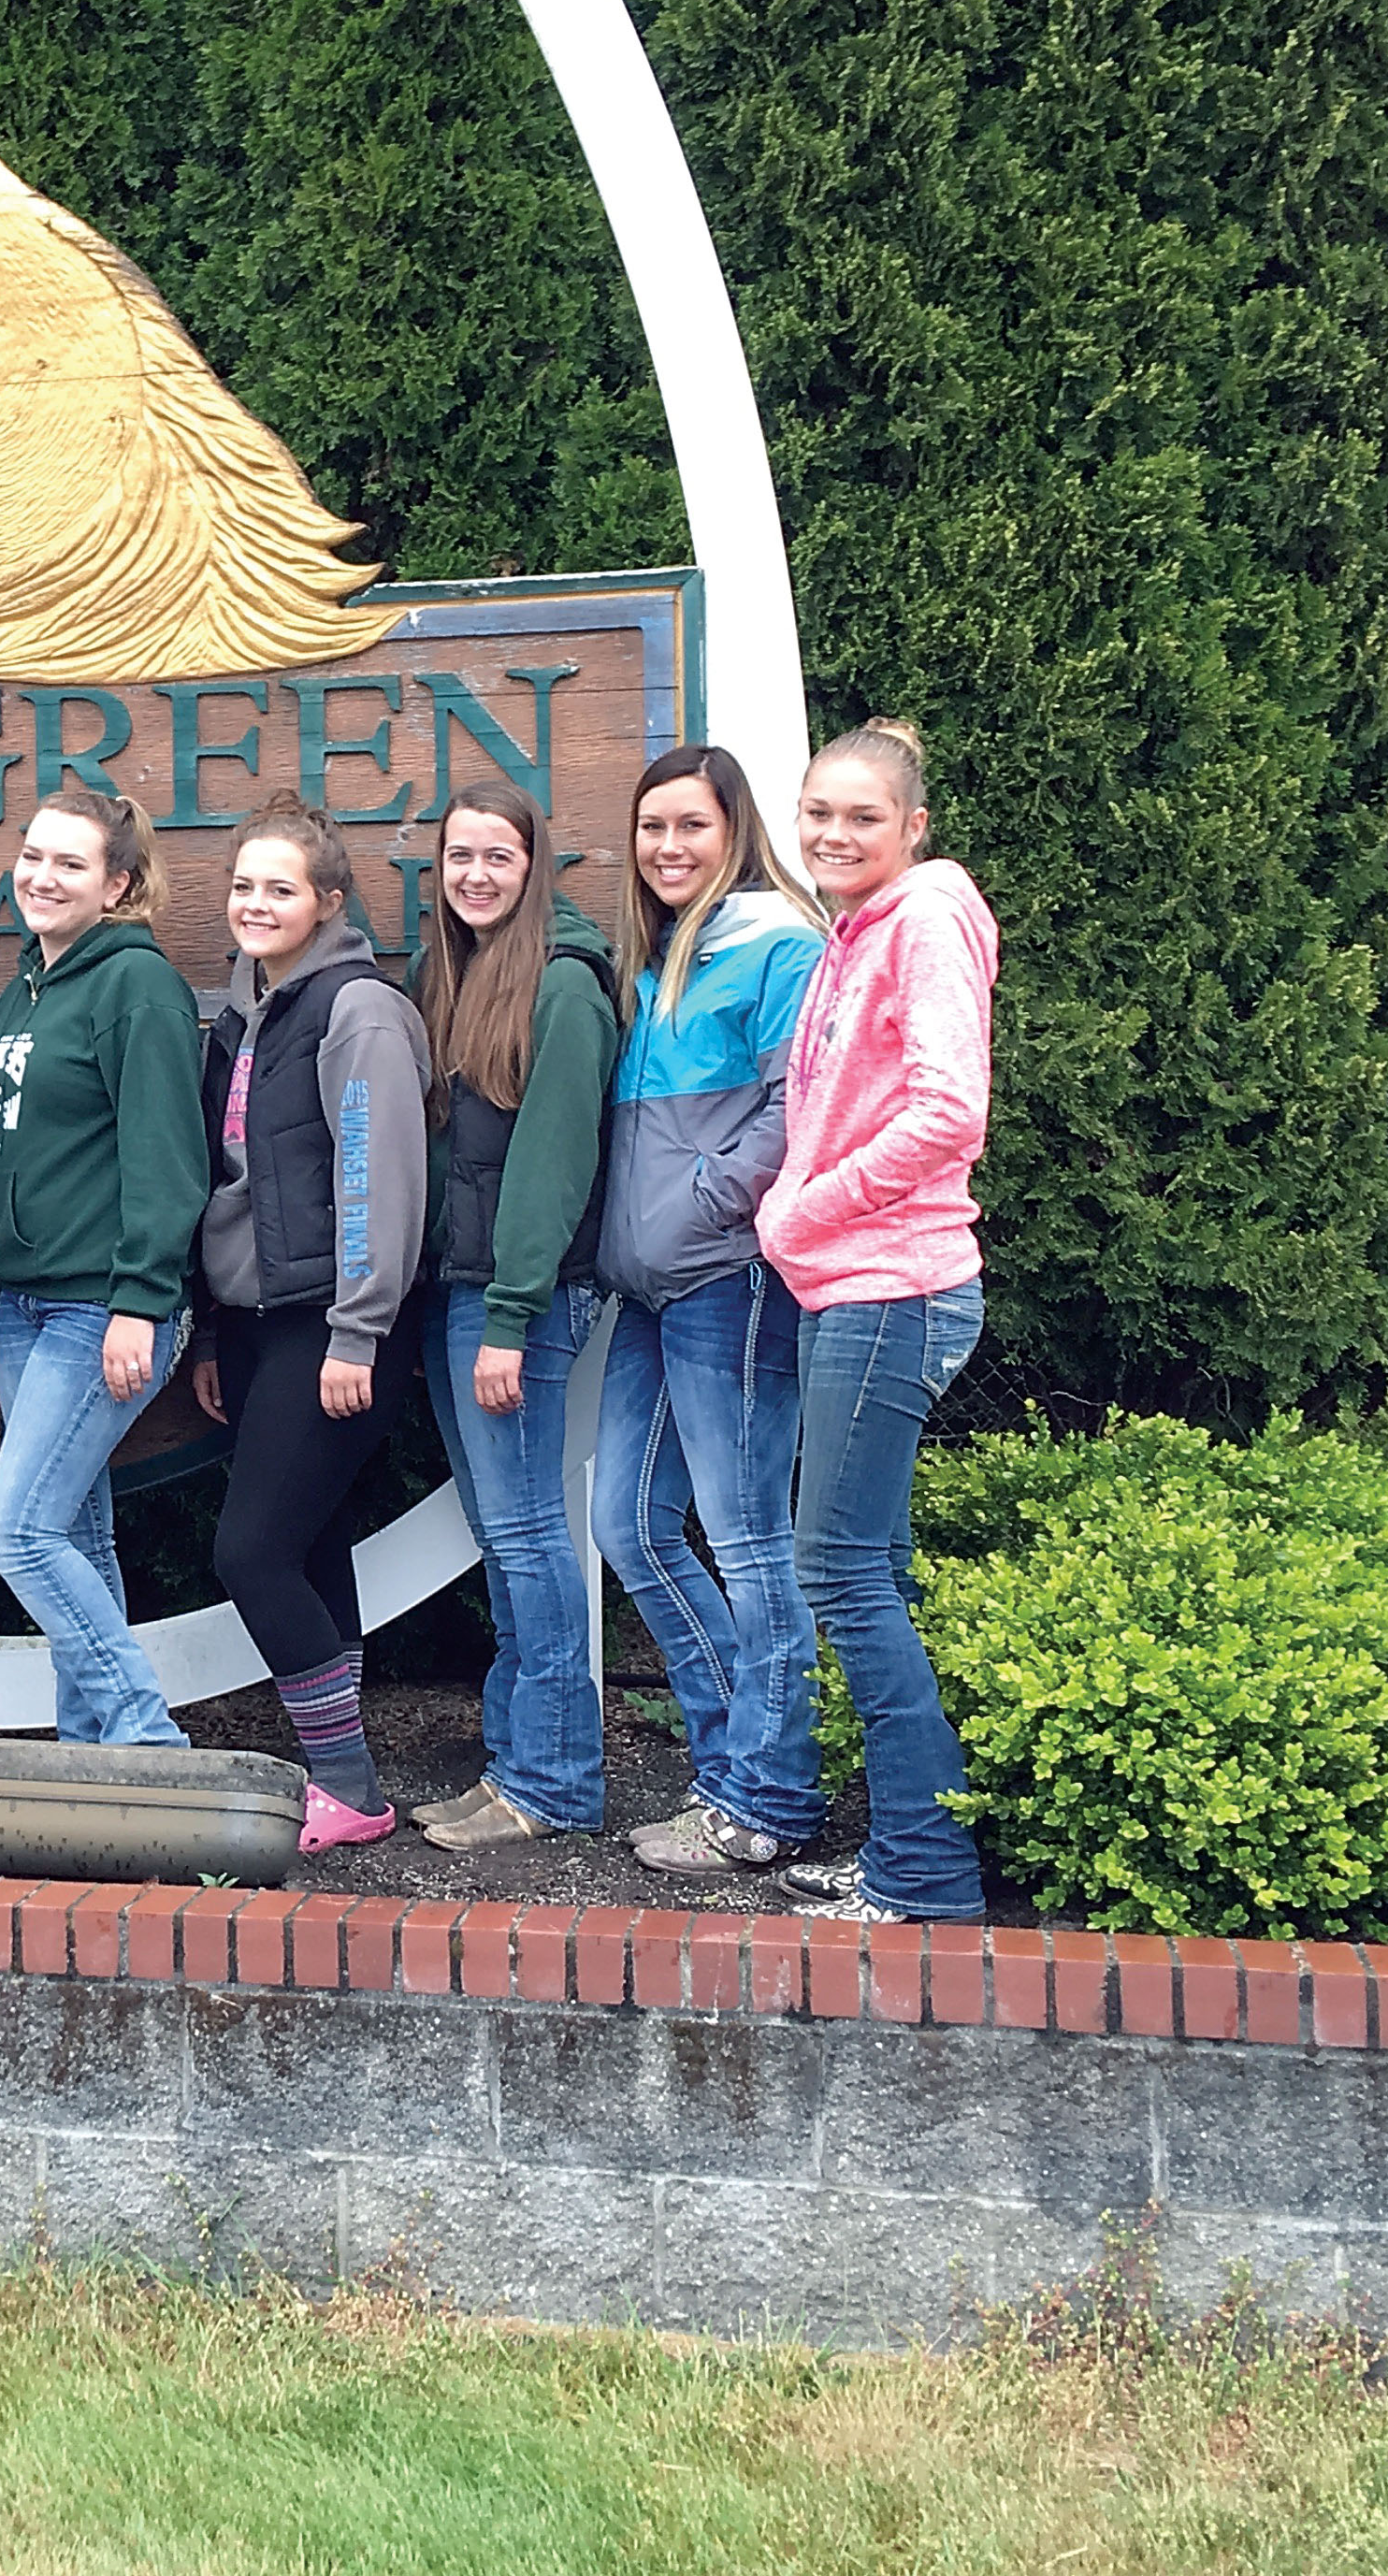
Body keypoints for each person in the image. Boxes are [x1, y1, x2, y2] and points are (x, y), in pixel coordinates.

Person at [756, 719, 1002, 1926]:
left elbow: (951, 1113)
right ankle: (906, 1843)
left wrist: (806, 1209)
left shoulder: (926, 919)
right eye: (819, 813)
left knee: (840, 1573)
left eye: (863, 817)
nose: (835, 834)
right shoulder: (857, 933)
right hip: (851, 1284)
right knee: (871, 1572)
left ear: (914, 827)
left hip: (890, 1286)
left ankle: (926, 1873)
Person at [590, 749, 831, 1880]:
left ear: (735, 830)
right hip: (649, 1291)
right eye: (652, 827)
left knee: (749, 1544)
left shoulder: (780, 944)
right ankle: (731, 1763)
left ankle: (770, 1797)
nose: (668, 847)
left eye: (691, 825)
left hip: (729, 1281)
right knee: (630, 1528)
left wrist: (701, 1203)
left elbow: (797, 1107)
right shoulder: (655, 958)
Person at [187, 792, 432, 1851]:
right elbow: (229, 1183)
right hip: (252, 1324)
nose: (256, 903)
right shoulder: (245, 1013)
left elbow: (380, 1177)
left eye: (280, 888)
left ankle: (346, 1782)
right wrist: (210, 1330)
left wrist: (357, 1330)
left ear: (328, 901)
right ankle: (341, 1774)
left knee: (251, 1552)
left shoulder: (356, 1009)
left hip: (329, 1326)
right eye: (244, 885)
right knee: (312, 1543)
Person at [0, 785, 211, 1745]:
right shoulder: (28, 987)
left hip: (100, 1307)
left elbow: (166, 1161)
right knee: (72, 1536)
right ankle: (93, 1764)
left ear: (118, 886)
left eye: (71, 863)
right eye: (33, 856)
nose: (42, 876)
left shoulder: (137, 986)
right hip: (25, 1310)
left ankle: (149, 1740)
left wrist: (140, 1302)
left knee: (18, 1532)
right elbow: (4, 1163)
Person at [407, 776, 622, 1854]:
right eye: (460, 856)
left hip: (513, 1304)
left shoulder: (565, 985)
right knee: (504, 1536)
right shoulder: (457, 975)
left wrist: (510, 1316)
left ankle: (557, 1779)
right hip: (461, 1292)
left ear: (534, 867)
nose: (477, 874)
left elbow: (552, 1164)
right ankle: (515, 1763)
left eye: (498, 855)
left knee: (531, 1534)